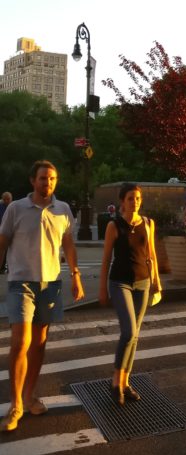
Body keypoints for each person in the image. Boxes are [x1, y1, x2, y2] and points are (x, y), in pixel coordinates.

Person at [0, 161, 85, 431]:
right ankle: (15, 405)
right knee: (20, 341)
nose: (47, 183)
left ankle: (30, 395)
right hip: (20, 283)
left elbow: (68, 244)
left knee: (39, 343)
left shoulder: (63, 210)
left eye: (52, 179)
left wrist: (76, 274)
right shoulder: (15, 208)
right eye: (42, 178)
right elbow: (2, 241)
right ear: (32, 180)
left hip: (50, 284)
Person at [99, 183, 161, 406]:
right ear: (122, 202)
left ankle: (126, 382)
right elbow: (106, 258)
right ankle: (115, 381)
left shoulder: (148, 223)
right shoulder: (114, 226)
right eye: (130, 199)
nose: (134, 202)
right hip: (120, 283)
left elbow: (151, 255)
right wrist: (102, 288)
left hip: (143, 282)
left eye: (137, 198)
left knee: (135, 336)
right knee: (129, 331)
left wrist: (157, 282)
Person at [0, 191, 13, 273]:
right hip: (2, 230)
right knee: (2, 250)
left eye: (8, 199)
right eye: (5, 199)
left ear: (11, 199)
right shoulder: (1, 206)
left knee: (10, 250)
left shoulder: (14, 206)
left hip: (11, 230)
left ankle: (8, 267)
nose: (6, 201)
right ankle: (2, 267)